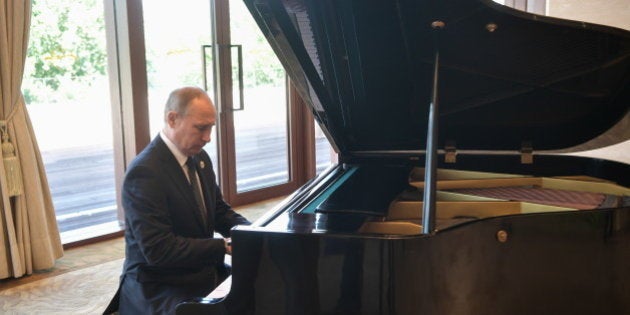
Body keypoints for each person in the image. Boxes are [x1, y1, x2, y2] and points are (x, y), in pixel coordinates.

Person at [104, 86, 251, 315]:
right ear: (172, 119)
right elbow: (159, 250)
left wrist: (253, 233)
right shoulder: (145, 173)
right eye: (201, 128)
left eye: (210, 128)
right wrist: (223, 246)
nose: (208, 138)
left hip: (200, 271)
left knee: (260, 293)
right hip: (160, 284)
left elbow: (218, 211)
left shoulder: (199, 157)